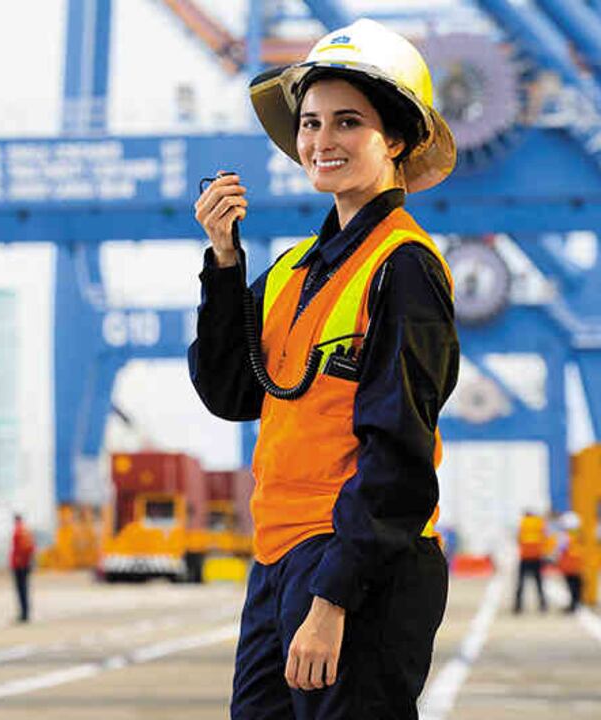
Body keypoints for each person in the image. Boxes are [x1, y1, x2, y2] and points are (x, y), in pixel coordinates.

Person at [190, 19, 460, 719]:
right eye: (311, 123)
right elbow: (229, 391)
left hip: (358, 567)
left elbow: (398, 454)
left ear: (395, 139)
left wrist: (335, 597)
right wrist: (224, 265)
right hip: (279, 560)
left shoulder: (403, 267)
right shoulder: (290, 273)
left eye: (348, 122)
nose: (321, 140)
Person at [513, 510, 548, 614]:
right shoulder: (539, 523)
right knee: (539, 583)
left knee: (521, 583)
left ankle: (518, 606)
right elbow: (544, 538)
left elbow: (518, 538)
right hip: (537, 556)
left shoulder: (523, 523)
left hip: (525, 557)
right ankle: (543, 605)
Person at [10, 514, 36, 623]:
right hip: (26, 564)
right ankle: (26, 612)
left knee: (21, 590)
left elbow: (17, 549)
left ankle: (23, 614)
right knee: (25, 589)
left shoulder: (17, 532)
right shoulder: (27, 531)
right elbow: (32, 548)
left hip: (19, 565)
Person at [556, 513, 583, 613]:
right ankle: (576, 603)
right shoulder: (578, 535)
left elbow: (561, 549)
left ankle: (573, 605)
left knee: (571, 587)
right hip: (577, 565)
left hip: (568, 565)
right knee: (577, 586)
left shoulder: (565, 536)